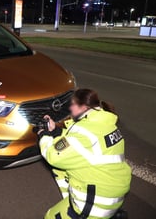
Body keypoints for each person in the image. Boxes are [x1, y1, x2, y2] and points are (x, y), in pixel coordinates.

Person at [37, 88, 131, 219]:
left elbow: (53, 156)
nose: (70, 108)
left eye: (73, 105)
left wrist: (44, 135)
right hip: (111, 190)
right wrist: (55, 131)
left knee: (51, 217)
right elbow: (77, 140)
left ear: (83, 107)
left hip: (97, 201)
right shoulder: (104, 123)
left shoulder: (84, 133)